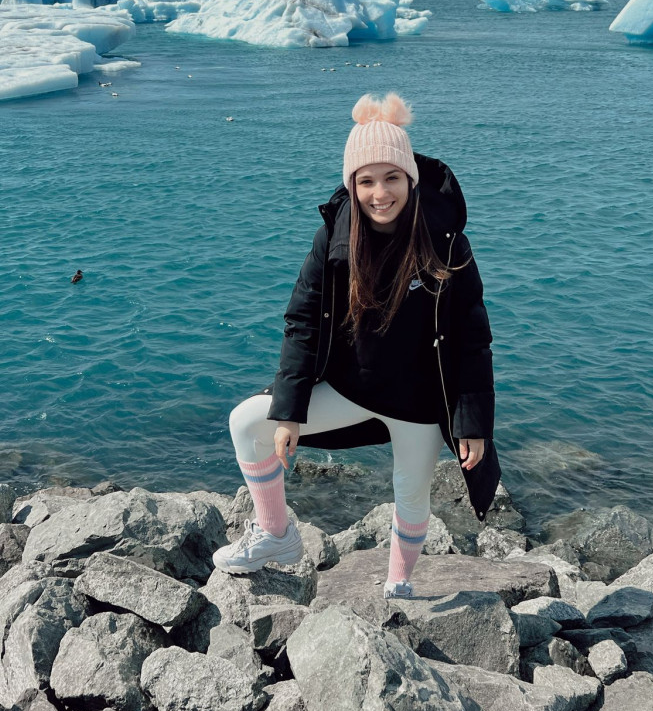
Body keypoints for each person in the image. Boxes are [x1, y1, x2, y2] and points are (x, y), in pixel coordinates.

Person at [214, 92, 500, 598]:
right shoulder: (335, 235)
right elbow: (302, 319)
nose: (379, 193)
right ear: (352, 184)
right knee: (247, 423)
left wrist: (473, 420)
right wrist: (290, 409)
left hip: (421, 403)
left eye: (391, 178)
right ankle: (276, 535)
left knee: (411, 496)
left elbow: (473, 335)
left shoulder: (445, 240)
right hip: (353, 389)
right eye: (365, 181)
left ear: (410, 178)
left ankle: (399, 584)